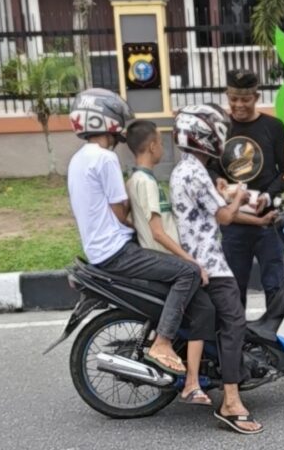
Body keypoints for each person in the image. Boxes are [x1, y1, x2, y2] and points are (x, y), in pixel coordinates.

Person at [66, 88, 198, 375]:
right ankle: (163, 342)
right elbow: (120, 211)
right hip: (117, 252)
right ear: (108, 121)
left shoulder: (77, 159)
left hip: (98, 250)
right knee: (187, 272)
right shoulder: (105, 159)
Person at [170, 103, 265, 435]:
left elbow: (214, 206)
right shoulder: (196, 172)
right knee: (234, 324)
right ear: (203, 136)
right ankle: (231, 402)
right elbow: (224, 216)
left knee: (222, 322)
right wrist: (240, 194)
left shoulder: (185, 168)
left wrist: (237, 198)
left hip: (200, 257)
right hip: (209, 262)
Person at [124, 120, 213, 406]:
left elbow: (130, 218)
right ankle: (190, 381)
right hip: (163, 258)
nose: (163, 148)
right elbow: (158, 232)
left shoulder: (134, 180)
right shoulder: (146, 182)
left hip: (158, 256)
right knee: (204, 309)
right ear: (152, 146)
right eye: (161, 143)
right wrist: (191, 261)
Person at [211, 70, 284, 309]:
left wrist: (268, 195)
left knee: (274, 287)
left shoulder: (274, 127)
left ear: (256, 97)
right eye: (233, 99)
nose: (239, 105)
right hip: (234, 222)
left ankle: (275, 332)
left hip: (268, 221)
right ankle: (238, 333)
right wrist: (219, 180)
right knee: (234, 289)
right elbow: (210, 168)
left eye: (245, 99)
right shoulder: (220, 128)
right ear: (227, 96)